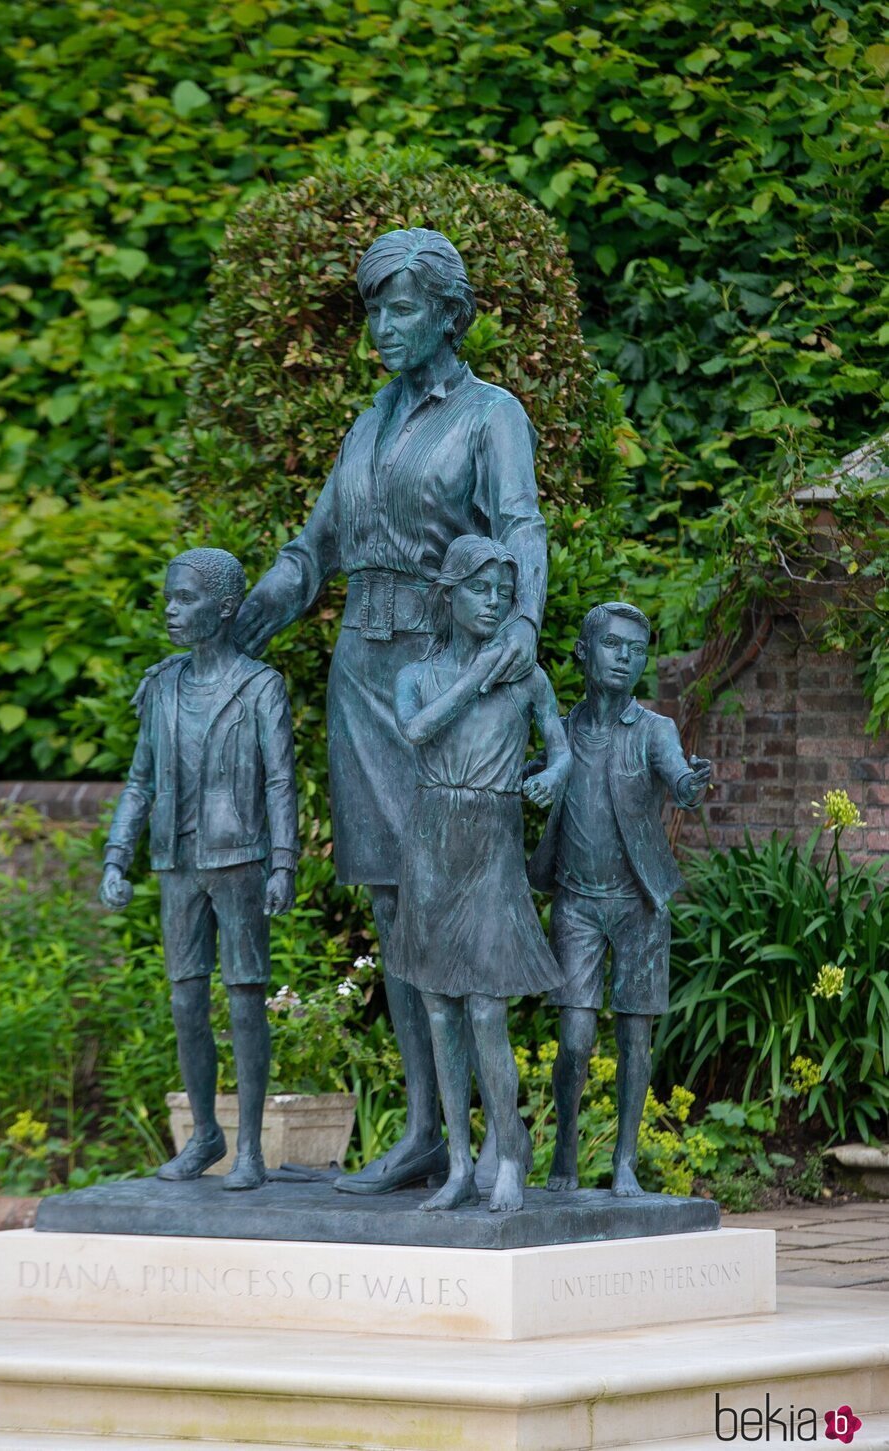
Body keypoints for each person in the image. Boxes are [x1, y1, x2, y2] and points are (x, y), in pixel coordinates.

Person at [233, 228, 548, 1195]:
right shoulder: (366, 425)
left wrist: (524, 620)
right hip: (361, 671)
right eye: (373, 308)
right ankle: (424, 1131)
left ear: (450, 313)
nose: (380, 326)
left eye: (399, 306)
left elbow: (521, 524)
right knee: (388, 898)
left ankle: (497, 1143)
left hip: (441, 672)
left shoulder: (491, 415)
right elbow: (315, 544)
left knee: (453, 898)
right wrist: (249, 617)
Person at [98, 548, 298, 1191]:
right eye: (169, 599)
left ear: (226, 607)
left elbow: (280, 782)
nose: (172, 611)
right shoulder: (161, 687)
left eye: (185, 599)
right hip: (177, 860)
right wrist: (116, 855)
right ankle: (204, 1135)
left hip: (238, 857)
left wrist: (284, 862)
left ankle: (248, 1147)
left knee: (244, 998)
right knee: (187, 999)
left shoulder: (260, 686)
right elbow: (138, 782)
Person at [389, 535, 571, 1213]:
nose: (495, 602)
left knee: (488, 1007)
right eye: (481, 589)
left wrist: (552, 774)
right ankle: (459, 1165)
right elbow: (416, 731)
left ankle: (509, 1152)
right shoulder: (416, 674)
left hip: (491, 837)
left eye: (504, 591)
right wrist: (475, 675)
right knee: (439, 1007)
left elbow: (560, 746)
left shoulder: (528, 676)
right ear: (450, 593)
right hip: (433, 837)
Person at [527, 602, 711, 1197]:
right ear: (584, 651)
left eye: (636, 649)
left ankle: (626, 1160)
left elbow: (677, 775)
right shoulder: (561, 728)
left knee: (635, 1036)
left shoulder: (656, 730)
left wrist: (689, 784)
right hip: (577, 902)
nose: (625, 657)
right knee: (575, 1040)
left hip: (639, 904)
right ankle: (565, 1152)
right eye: (613, 644)